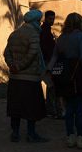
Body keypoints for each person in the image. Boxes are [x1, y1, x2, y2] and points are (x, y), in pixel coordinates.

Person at [48, 12, 82, 149]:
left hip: (63, 76)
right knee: (79, 107)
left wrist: (49, 72)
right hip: (77, 75)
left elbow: (54, 57)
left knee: (69, 107)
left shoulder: (61, 38)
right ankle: (81, 137)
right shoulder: (81, 36)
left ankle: (70, 136)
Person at [3, 9, 48, 143]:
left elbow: (6, 53)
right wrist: (20, 66)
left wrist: (13, 66)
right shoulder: (33, 35)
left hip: (15, 78)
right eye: (39, 22)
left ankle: (15, 133)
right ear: (34, 22)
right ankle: (31, 134)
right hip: (30, 78)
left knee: (15, 107)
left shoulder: (14, 34)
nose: (40, 24)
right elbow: (33, 53)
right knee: (32, 107)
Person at [40, 10, 63, 119]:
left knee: (51, 86)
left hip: (48, 61)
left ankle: (50, 109)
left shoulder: (47, 30)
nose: (52, 20)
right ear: (45, 18)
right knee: (51, 86)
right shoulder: (44, 31)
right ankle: (50, 110)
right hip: (47, 62)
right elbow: (45, 48)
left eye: (53, 18)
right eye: (50, 18)